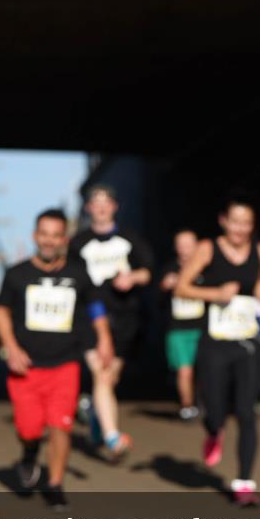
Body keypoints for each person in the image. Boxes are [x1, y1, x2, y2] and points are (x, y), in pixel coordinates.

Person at [0, 208, 114, 511]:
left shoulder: (77, 274)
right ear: (35, 236)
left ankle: (55, 484)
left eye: (56, 235)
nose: (49, 241)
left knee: (61, 425)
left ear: (64, 239)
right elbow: (1, 311)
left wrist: (104, 338)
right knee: (29, 429)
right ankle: (29, 453)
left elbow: (95, 307)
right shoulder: (17, 274)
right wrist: (11, 347)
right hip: (26, 367)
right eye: (44, 234)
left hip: (65, 364)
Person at [174, 199, 260, 507]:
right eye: (235, 222)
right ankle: (213, 429)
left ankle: (244, 482)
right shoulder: (207, 249)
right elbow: (182, 287)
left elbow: (258, 284)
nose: (241, 229)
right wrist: (215, 294)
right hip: (215, 342)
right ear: (223, 221)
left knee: (246, 412)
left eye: (247, 223)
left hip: (247, 342)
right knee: (216, 410)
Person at [70, 184, 153, 459]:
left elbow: (148, 271)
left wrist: (133, 278)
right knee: (102, 374)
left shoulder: (130, 239)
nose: (102, 207)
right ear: (88, 208)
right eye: (96, 202)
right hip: (91, 317)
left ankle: (97, 417)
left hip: (125, 318)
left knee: (110, 378)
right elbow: (75, 285)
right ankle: (112, 437)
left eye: (106, 201)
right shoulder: (78, 244)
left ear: (115, 207)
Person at [160, 229, 206, 420]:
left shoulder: (206, 269)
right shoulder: (169, 270)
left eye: (189, 245)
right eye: (181, 245)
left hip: (203, 328)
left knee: (204, 371)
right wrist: (164, 286)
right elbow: (156, 301)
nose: (185, 249)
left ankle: (203, 402)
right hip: (178, 329)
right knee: (184, 371)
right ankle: (187, 406)